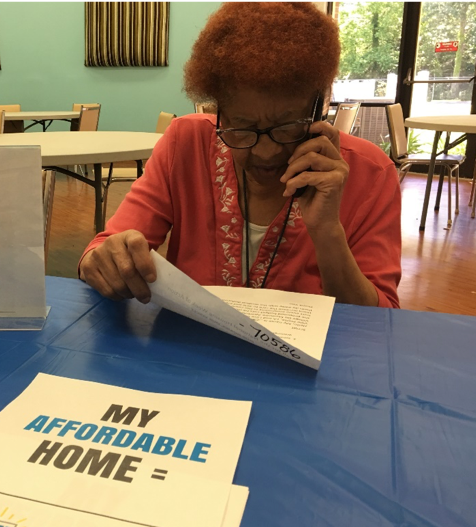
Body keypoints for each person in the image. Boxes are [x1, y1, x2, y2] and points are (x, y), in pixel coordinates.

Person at [79, 1, 401, 308]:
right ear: (219, 112)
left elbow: (376, 325)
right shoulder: (185, 144)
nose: (265, 151)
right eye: (242, 127)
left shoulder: (372, 175)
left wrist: (328, 233)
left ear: (319, 108)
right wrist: (104, 261)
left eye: (287, 126)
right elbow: (103, 250)